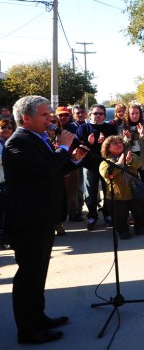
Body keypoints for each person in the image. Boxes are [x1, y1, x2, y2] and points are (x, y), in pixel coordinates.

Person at [4, 95, 86, 344]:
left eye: (50, 113)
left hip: (44, 217)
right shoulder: (18, 142)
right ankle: (28, 331)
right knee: (29, 276)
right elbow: (44, 170)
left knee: (39, 273)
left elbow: (52, 170)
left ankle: (38, 317)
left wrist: (72, 160)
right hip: (28, 220)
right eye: (44, 114)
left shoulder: (37, 139)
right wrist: (62, 148)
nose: (50, 118)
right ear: (26, 118)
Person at [75, 104, 118, 230]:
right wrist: (90, 143)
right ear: (90, 114)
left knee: (108, 191)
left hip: (106, 165)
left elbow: (116, 146)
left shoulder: (110, 128)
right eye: (95, 113)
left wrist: (104, 144)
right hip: (89, 165)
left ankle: (108, 214)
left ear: (104, 115)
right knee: (90, 192)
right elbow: (78, 146)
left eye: (100, 114)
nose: (98, 116)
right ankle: (92, 215)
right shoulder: (83, 128)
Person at [99, 135, 144, 239]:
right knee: (120, 217)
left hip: (134, 192)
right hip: (117, 196)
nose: (118, 145)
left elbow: (139, 163)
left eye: (120, 142)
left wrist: (130, 161)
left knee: (140, 212)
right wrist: (120, 164)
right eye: (115, 143)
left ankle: (139, 227)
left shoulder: (129, 155)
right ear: (108, 147)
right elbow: (107, 174)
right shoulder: (105, 162)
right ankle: (123, 230)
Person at [120, 104, 144, 221]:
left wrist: (142, 135)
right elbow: (119, 145)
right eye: (132, 113)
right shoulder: (123, 127)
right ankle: (133, 214)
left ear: (140, 114)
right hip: (130, 161)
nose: (135, 116)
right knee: (131, 187)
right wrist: (127, 138)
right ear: (128, 114)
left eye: (137, 113)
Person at [0, 118, 15, 249]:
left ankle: (6, 238)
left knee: (7, 212)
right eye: (3, 127)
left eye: (9, 127)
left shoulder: (14, 142)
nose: (6, 129)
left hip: (8, 182)